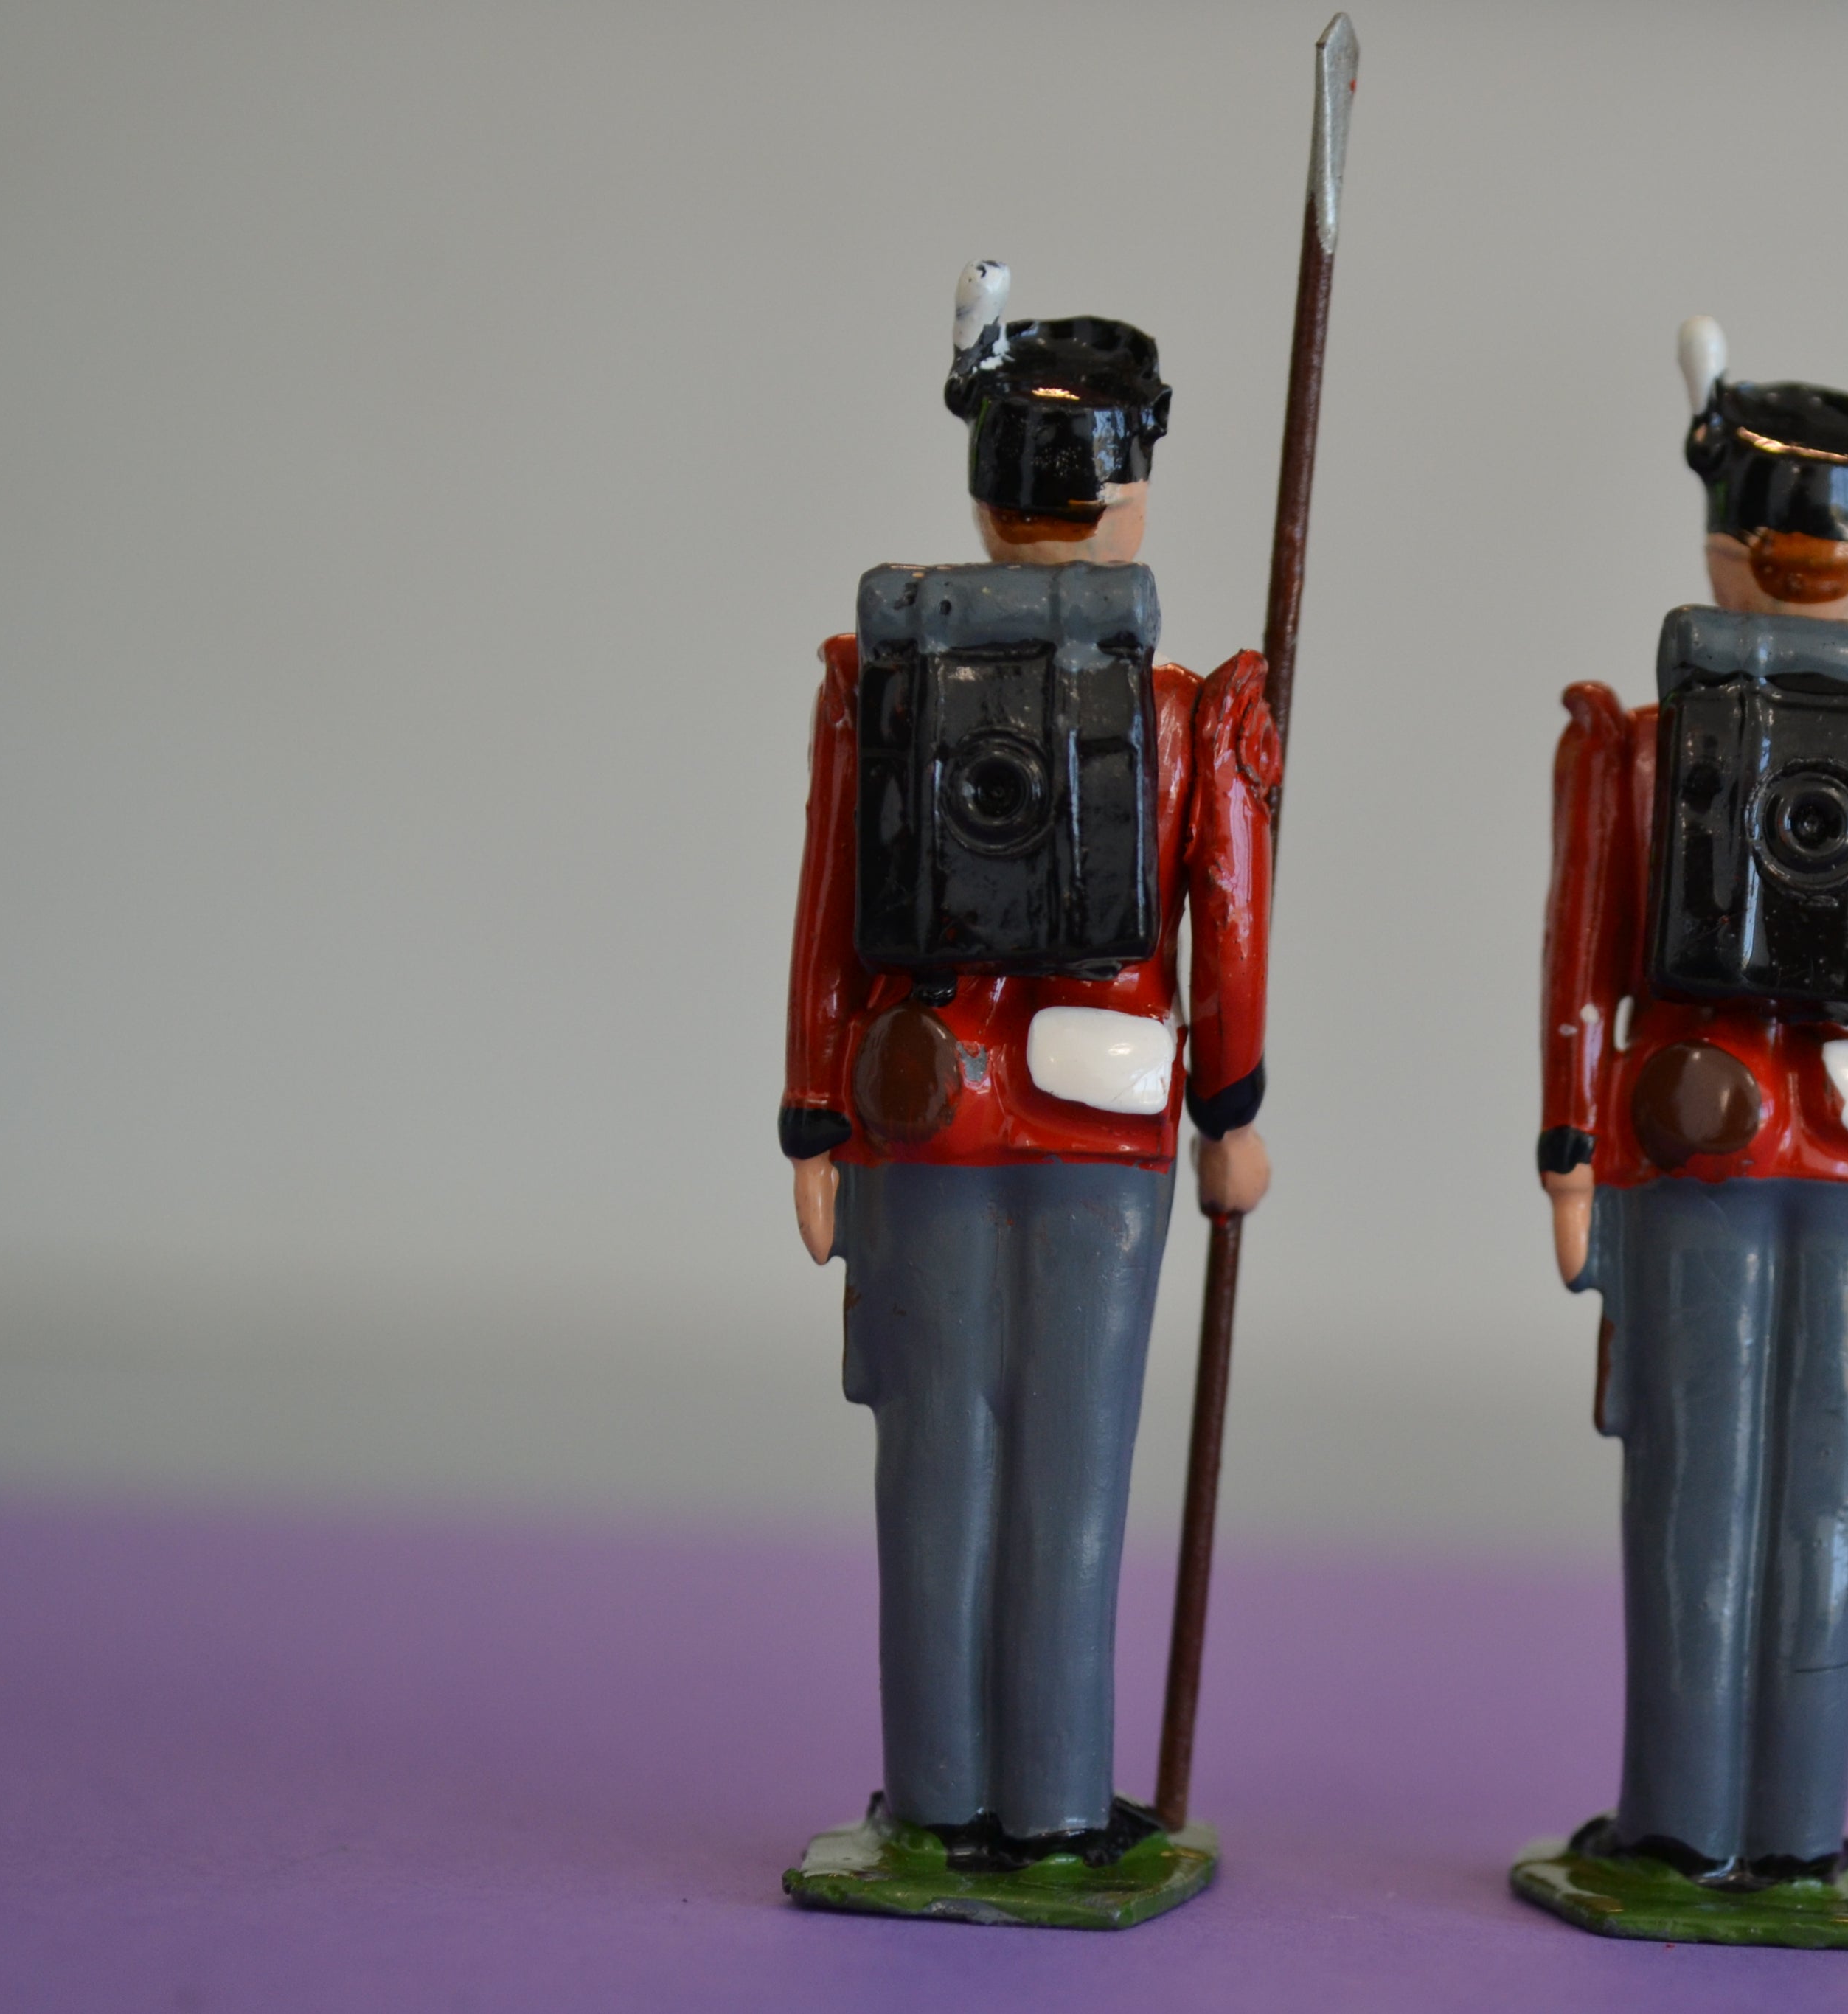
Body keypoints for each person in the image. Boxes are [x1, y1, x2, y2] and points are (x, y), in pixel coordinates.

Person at [778, 263, 1275, 1893]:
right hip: (1100, 1126)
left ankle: (942, 1796)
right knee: (1069, 1467)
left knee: (937, 1462)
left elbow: (828, 909)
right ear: (1134, 486)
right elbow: (1229, 923)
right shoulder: (1188, 711)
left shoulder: (878, 675)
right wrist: (1231, 1112)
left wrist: (814, 1112)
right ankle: (1050, 1801)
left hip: (918, 1109)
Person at [1524, 316, 1848, 1932]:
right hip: (1805, 1150)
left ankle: (1716, 1828)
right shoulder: (1681, 742)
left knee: (1725, 1495)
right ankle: (1758, 1829)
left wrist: (1570, 1150)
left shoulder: (1660, 740)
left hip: (1737, 1151)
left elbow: (1585, 963)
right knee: (1784, 1496)